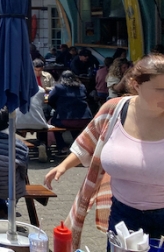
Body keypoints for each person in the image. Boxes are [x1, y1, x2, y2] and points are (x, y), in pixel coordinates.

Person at [44, 54, 164, 249]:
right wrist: (63, 166)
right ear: (136, 85)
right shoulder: (115, 110)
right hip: (122, 214)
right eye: (160, 89)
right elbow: (88, 142)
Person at [48, 71, 93, 153]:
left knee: (53, 123)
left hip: (67, 119)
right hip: (85, 119)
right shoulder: (82, 87)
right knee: (75, 126)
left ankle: (62, 147)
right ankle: (78, 147)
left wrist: (57, 107)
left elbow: (50, 99)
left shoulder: (59, 87)